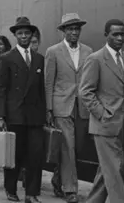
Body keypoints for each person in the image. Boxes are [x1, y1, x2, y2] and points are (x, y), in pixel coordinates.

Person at [78, 19, 124, 203]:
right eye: (115, 34)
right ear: (106, 35)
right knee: (114, 169)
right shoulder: (95, 59)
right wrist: (102, 113)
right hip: (105, 124)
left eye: (122, 34)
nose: (120, 38)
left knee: (108, 168)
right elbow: (85, 91)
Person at [0, 17, 47, 203]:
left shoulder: (40, 59)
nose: (24, 36)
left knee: (35, 155)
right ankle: (11, 189)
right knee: (14, 154)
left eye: (27, 33)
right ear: (15, 35)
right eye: (20, 33)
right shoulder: (7, 58)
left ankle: (31, 193)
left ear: (32, 35)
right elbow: (0, 89)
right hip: (15, 114)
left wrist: (46, 113)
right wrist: (0, 116)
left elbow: (42, 89)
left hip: (35, 115)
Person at [45, 13, 93, 203]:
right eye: (70, 29)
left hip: (83, 106)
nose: (74, 32)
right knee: (68, 148)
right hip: (61, 106)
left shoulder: (89, 51)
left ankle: (58, 178)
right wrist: (48, 109)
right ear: (63, 31)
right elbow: (48, 82)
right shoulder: (53, 51)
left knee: (78, 149)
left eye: (77, 29)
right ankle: (70, 189)